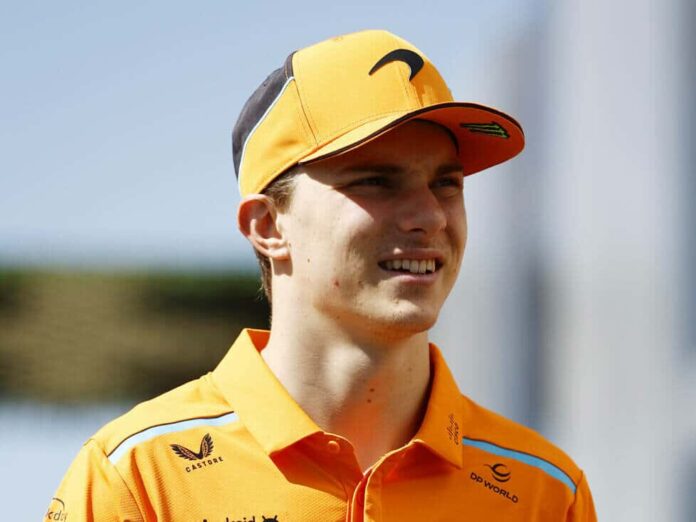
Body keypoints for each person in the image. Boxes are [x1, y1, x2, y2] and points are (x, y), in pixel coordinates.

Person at [46, 29, 596, 521]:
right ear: (268, 226)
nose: (430, 216)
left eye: (446, 184)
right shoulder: (139, 478)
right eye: (376, 181)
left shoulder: (545, 493)